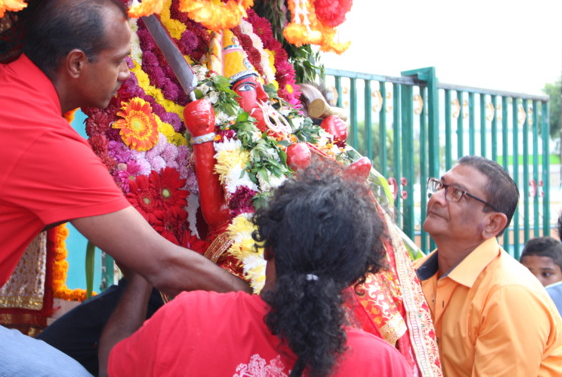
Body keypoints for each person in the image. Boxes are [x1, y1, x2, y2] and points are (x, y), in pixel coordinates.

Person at [0, 0, 248, 377]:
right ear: (76, 63)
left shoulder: (2, 90)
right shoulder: (40, 136)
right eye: (120, 61)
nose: (127, 74)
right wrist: (262, 302)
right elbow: (161, 263)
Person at [98, 162, 413, 377]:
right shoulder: (382, 365)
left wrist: (142, 272)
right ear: (357, 276)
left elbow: (112, 366)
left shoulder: (189, 316)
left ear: (268, 247)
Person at [414, 155, 562, 376]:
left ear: (492, 224)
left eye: (456, 193)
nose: (436, 198)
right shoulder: (412, 274)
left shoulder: (508, 294)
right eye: (440, 186)